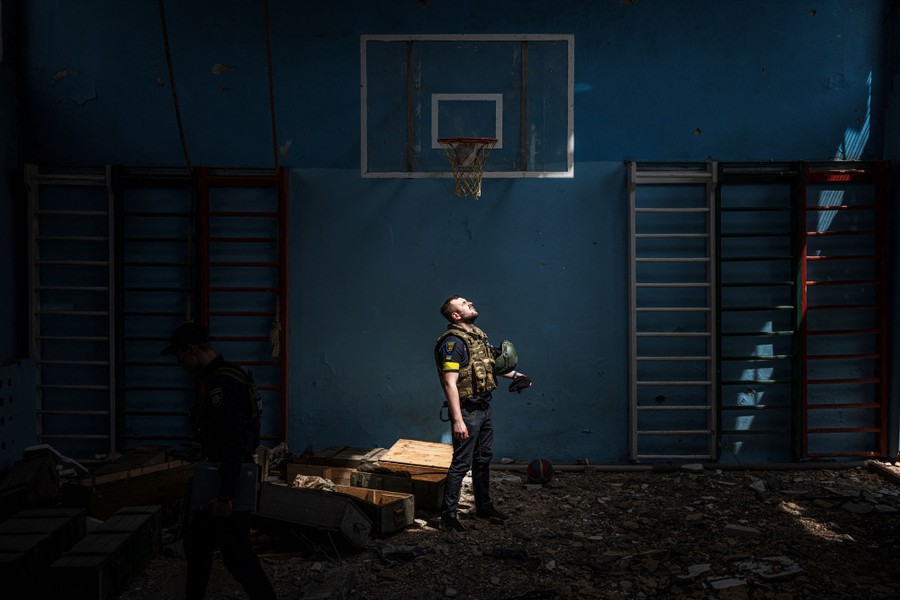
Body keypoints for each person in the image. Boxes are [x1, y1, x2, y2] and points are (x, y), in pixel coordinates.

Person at [162, 321, 277, 600]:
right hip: (221, 476)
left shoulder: (221, 385)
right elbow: (230, 433)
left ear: (191, 350)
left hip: (226, 481)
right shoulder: (229, 376)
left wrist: (225, 496)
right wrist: (204, 445)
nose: (179, 362)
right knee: (198, 548)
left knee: (239, 559)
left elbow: (234, 444)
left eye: (179, 355)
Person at [434, 296, 532, 532]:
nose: (470, 303)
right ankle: (448, 517)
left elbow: (489, 367)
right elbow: (450, 383)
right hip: (467, 411)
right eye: (464, 304)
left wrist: (517, 376)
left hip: (484, 407)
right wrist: (457, 419)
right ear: (455, 316)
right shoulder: (453, 343)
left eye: (468, 301)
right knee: (461, 464)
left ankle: (484, 507)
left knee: (483, 459)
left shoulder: (477, 335)